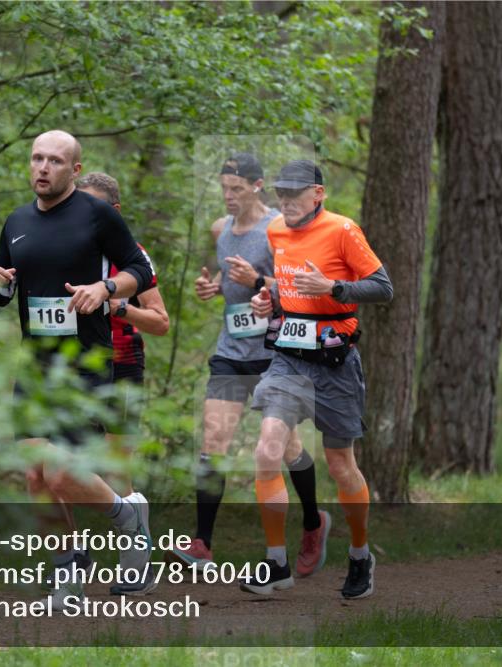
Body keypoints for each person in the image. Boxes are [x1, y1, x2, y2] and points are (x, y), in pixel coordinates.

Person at [0, 130, 157, 606]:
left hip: (86, 361)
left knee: (61, 475)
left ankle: (126, 517)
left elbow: (138, 268)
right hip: (36, 363)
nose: (43, 168)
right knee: (36, 476)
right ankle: (67, 580)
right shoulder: (16, 220)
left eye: (55, 161)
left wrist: (106, 290)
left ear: (75, 170)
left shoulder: (97, 215)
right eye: (37, 159)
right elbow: (3, 290)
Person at [170, 153, 330, 579]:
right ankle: (202, 544)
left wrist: (259, 284)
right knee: (214, 440)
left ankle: (313, 523)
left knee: (287, 448)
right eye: (224, 188)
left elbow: (298, 287)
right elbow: (231, 280)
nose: (228, 196)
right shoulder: (220, 230)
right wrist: (215, 286)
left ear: (258, 187)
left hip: (275, 353)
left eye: (236, 189)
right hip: (231, 350)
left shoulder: (281, 228)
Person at [239, 159, 393, 600]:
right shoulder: (275, 231)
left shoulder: (343, 230)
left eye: (295, 194)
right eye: (281, 194)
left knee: (341, 465)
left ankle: (361, 555)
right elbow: (287, 288)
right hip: (289, 358)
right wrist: (270, 302)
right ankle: (276, 564)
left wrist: (332, 288)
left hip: (335, 362)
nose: (285, 202)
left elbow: (384, 288)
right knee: (267, 449)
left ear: (317, 195)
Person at [76, 171, 170, 496]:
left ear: (114, 211)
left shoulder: (133, 255)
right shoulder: (65, 249)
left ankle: (134, 541)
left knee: (117, 468)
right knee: (65, 465)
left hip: (122, 364)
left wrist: (120, 308)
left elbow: (160, 322)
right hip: (75, 364)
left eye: (95, 207)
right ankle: (71, 546)